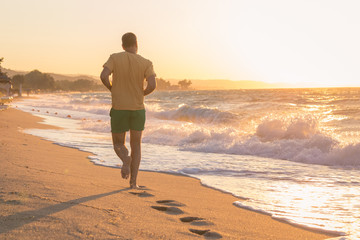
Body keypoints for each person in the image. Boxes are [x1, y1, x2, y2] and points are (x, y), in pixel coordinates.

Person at [100, 32, 156, 189]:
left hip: (119, 108)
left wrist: (112, 88)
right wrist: (141, 93)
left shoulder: (115, 58)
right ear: (137, 45)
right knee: (136, 145)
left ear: (123, 46)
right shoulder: (146, 62)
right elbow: (152, 85)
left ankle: (125, 160)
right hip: (138, 109)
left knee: (118, 143)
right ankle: (133, 183)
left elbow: (104, 76)